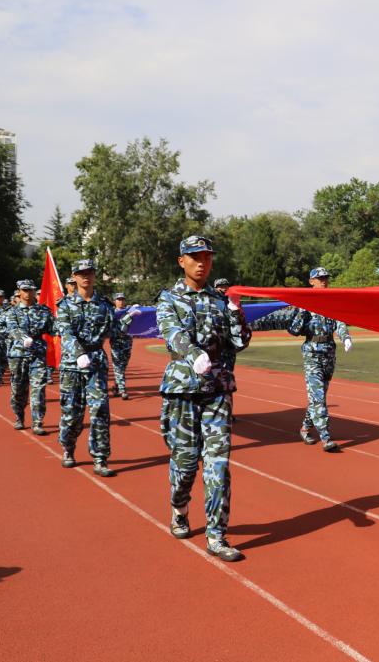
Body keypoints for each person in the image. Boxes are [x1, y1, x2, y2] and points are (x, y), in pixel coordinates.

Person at [156, 235, 251, 562]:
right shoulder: (169, 298)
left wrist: (237, 315)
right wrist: (193, 353)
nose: (202, 263)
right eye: (195, 257)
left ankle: (217, 534)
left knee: (218, 464)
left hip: (217, 391)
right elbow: (171, 332)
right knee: (185, 463)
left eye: (207, 257)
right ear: (181, 260)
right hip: (183, 389)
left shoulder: (218, 300)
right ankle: (180, 508)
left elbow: (239, 343)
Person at [55, 259, 116, 476]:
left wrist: (128, 320)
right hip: (73, 365)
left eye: (89, 272)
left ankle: (100, 457)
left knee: (100, 409)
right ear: (74, 276)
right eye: (81, 273)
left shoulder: (105, 305)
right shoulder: (65, 305)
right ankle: (68, 447)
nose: (85, 277)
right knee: (72, 414)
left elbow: (114, 332)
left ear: (94, 275)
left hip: (97, 362)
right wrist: (79, 352)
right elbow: (66, 332)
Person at [287, 267, 352, 451]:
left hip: (329, 353)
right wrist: (302, 310)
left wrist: (345, 336)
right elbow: (293, 330)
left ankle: (305, 428)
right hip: (312, 354)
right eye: (320, 278)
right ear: (311, 282)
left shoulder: (331, 302)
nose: (324, 281)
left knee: (318, 396)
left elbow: (339, 322)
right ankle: (326, 437)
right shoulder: (305, 303)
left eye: (326, 278)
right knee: (318, 397)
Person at [4, 280, 55, 434]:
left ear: (34, 291)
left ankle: (37, 422)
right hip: (18, 355)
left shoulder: (44, 311)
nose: (27, 293)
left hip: (38, 354)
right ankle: (19, 416)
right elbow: (12, 328)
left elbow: (53, 328)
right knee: (18, 390)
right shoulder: (12, 312)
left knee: (38, 388)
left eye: (30, 290)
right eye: (24, 290)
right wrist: (22, 337)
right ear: (19, 291)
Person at [109, 292, 141, 400]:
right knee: (118, 366)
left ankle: (116, 386)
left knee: (123, 366)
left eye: (123, 299)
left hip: (127, 343)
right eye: (119, 299)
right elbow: (119, 329)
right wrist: (129, 316)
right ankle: (123, 390)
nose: (121, 301)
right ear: (114, 301)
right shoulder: (112, 313)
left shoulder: (129, 310)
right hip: (116, 343)